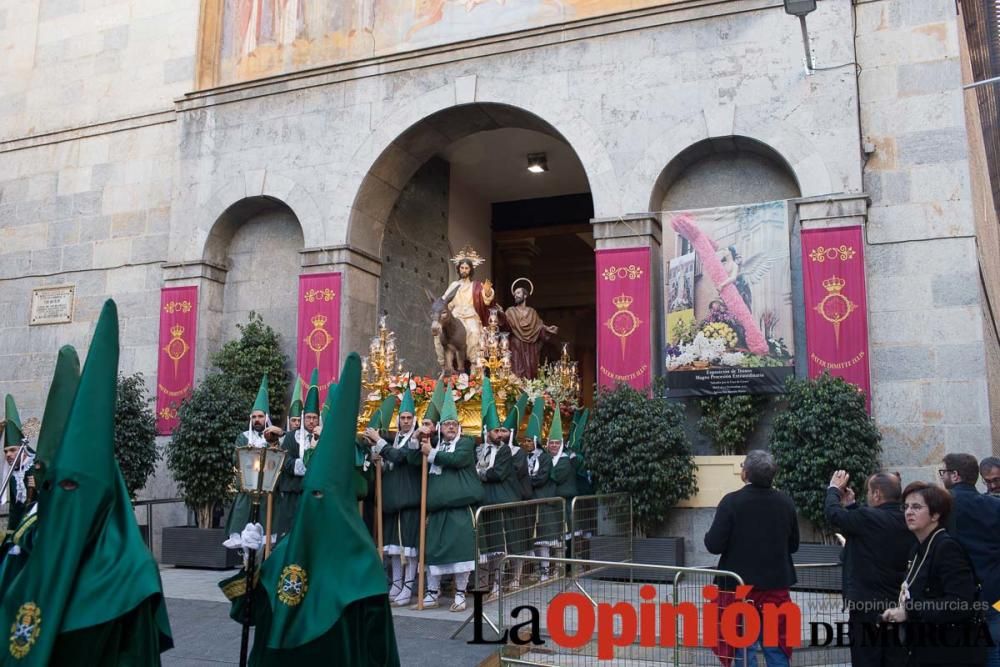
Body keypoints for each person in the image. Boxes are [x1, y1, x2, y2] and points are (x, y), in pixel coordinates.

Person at [1, 300, 173, 664]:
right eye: (52, 487)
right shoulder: (31, 554)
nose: (64, 502)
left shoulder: (132, 576)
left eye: (73, 489)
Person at [218, 354, 400, 666]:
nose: (316, 504)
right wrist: (252, 562)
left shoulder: (362, 565)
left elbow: (381, 650)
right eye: (312, 495)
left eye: (323, 497)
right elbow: (250, 612)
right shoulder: (289, 549)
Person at [704, 449, 798, 667]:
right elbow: (793, 545)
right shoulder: (786, 502)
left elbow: (713, 545)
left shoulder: (731, 502)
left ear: (745, 473)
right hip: (776, 587)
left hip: (738, 589)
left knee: (743, 648)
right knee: (776, 647)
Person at [881, 481, 989, 666]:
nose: (908, 512)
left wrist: (909, 612)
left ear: (936, 514)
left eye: (916, 507)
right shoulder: (918, 547)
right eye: (905, 507)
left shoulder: (946, 548)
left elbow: (961, 603)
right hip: (925, 647)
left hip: (951, 651)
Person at [825, 470, 913, 667]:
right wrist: (853, 506)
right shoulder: (904, 520)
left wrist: (833, 490)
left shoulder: (868, 518)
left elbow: (834, 515)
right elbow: (867, 529)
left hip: (865, 606)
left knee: (866, 658)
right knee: (893, 658)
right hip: (895, 603)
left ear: (876, 494)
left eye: (869, 491)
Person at [414, 385, 483, 612]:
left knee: (461, 553)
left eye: (453, 425)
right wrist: (419, 444)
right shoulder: (433, 445)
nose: (450, 428)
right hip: (436, 512)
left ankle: (460, 594)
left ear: (458, 427)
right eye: (446, 425)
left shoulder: (465, 443)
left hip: (460, 510)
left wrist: (431, 453)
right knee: (433, 552)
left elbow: (457, 460)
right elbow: (416, 461)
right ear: (441, 428)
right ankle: (432, 593)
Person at [939, 453, 1000, 667]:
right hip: (996, 593)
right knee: (995, 648)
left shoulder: (943, 507)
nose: (942, 478)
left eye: (943, 472)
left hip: (961, 595)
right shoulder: (994, 505)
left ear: (955, 475)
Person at [364, 389, 422, 607]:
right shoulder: (394, 438)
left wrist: (380, 443)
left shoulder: (414, 440)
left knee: (409, 547)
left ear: (414, 420)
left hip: (409, 499)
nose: (406, 421)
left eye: (409, 418)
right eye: (403, 418)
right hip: (391, 500)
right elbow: (388, 458)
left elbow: (400, 456)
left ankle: (408, 586)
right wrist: (377, 454)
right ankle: (396, 583)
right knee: (394, 548)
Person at [225, 376, 285, 537]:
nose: (257, 420)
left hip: (268, 493)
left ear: (266, 417)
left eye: (260, 416)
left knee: (267, 536)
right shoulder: (243, 437)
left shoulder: (276, 437)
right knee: (242, 534)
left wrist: (274, 441)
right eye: (254, 417)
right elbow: (236, 459)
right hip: (247, 490)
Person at [474, 375, 514, 599]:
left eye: (501, 430)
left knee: (499, 545)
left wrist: (480, 474)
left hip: (497, 501)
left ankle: (498, 585)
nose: (499, 434)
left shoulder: (505, 451)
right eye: (495, 430)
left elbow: (498, 473)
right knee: (484, 544)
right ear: (487, 432)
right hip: (482, 501)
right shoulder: (478, 449)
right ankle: (482, 584)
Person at [278, 369, 320, 536]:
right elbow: (286, 462)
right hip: (292, 494)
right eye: (308, 417)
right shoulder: (290, 437)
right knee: (289, 533)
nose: (311, 421)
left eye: (314, 418)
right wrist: (308, 465)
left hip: (313, 495)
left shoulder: (323, 438)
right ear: (303, 418)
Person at [439, 246, 495, 366]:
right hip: (456, 316)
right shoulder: (454, 285)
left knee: (474, 333)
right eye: (462, 268)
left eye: (466, 268)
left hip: (471, 316)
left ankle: (474, 364)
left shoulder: (476, 285)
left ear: (470, 270)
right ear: (458, 269)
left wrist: (488, 291)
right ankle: (448, 364)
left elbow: (486, 300)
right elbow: (445, 301)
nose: (464, 270)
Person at [525, 397, 560, 582]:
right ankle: (539, 569)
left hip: (544, 501)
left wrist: (528, 482)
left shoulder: (544, 458)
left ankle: (548, 570)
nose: (527, 444)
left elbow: (541, 477)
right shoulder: (525, 457)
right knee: (535, 538)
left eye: (529, 441)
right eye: (525, 440)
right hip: (531, 502)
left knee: (546, 538)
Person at [500, 393, 531, 589]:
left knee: (516, 540)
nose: (501, 434)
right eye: (499, 430)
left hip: (515, 501)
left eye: (504, 431)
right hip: (499, 502)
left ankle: (517, 576)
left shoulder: (518, 452)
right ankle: (502, 576)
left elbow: (511, 472)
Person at [503, 279, 557, 379]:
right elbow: (505, 326)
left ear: (525, 295)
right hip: (516, 345)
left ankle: (530, 391)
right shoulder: (510, 311)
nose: (516, 295)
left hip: (530, 347)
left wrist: (548, 329)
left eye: (518, 293)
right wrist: (499, 315)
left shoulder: (532, 312)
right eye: (514, 294)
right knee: (517, 371)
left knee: (530, 370)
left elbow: (539, 327)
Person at [3, 395, 34, 534]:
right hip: (17, 527)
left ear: (24, 451)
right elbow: (15, 508)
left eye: (12, 450)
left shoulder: (36, 466)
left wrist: (37, 486)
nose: (8, 455)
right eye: (5, 451)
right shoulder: (11, 472)